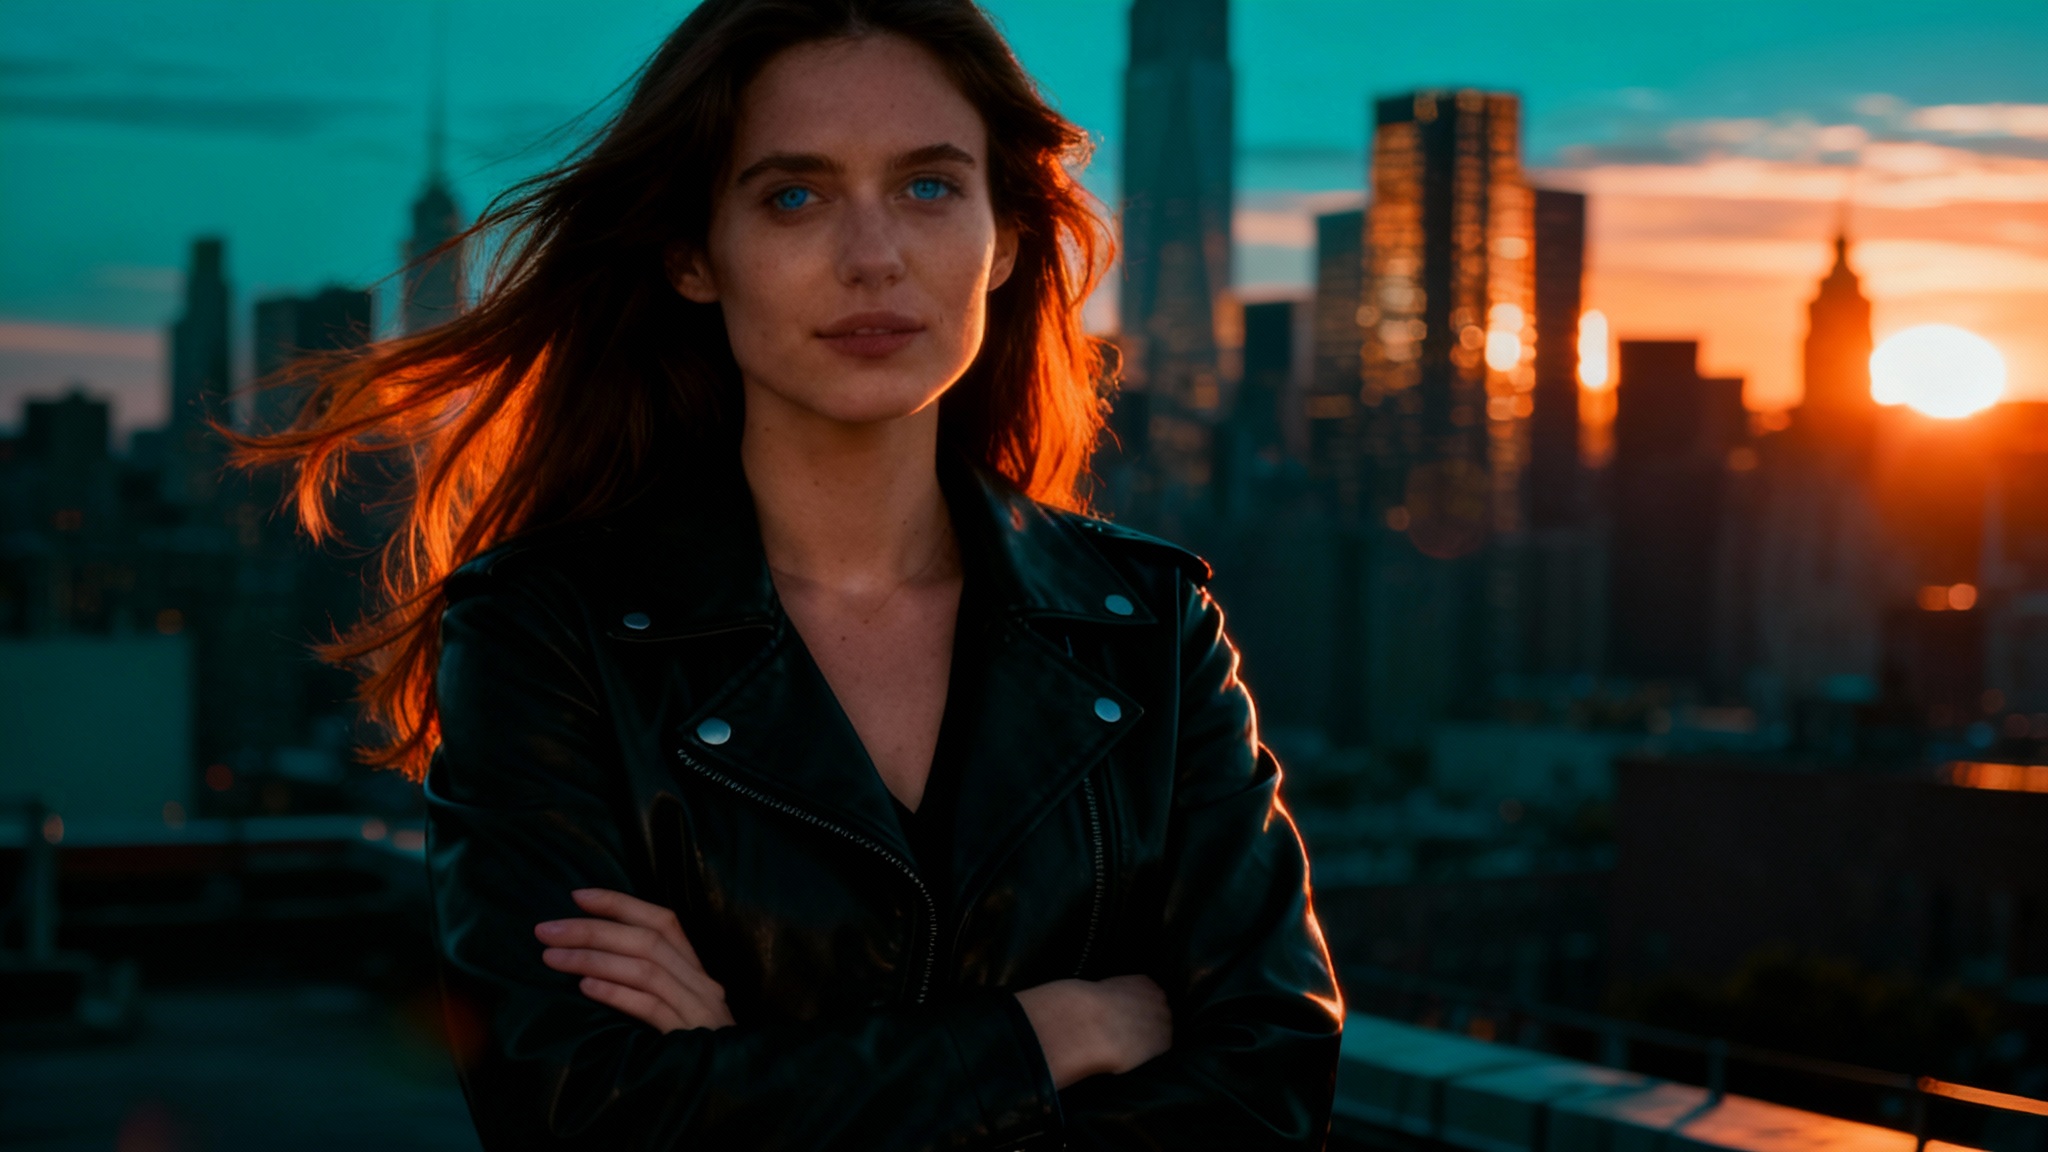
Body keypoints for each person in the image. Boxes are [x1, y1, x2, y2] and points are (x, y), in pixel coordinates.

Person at [243, 0, 1342, 1146]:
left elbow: (1265, 1087)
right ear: (691, 253)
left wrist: (742, 1076)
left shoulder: (1147, 625)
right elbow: (575, 1113)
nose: (873, 258)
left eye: (927, 187)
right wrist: (1039, 1039)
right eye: (793, 196)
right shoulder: (546, 633)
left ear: (1005, 234)